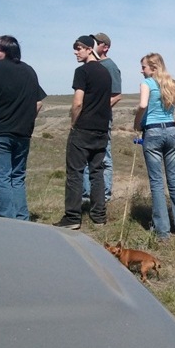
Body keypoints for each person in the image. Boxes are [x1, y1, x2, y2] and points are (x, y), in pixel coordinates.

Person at [0, 35, 47, 220]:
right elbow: (38, 103)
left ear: (9, 51)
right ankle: (22, 219)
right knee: (16, 178)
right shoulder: (29, 71)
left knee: (1, 179)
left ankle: (7, 222)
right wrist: (25, 120)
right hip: (22, 135)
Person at [133, 52, 175, 239]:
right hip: (171, 131)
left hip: (152, 132)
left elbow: (143, 104)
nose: (141, 70)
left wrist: (136, 123)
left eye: (144, 67)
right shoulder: (172, 84)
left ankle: (162, 231)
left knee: (156, 182)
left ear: (153, 68)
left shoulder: (146, 83)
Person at [54, 35, 112, 230]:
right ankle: (99, 216)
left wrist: (73, 123)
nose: (75, 52)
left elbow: (77, 102)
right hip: (101, 130)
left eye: (79, 48)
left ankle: (72, 217)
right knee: (97, 172)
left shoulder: (82, 71)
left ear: (89, 49)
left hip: (83, 128)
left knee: (75, 173)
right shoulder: (105, 72)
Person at [82, 32, 122, 203]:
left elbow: (117, 94)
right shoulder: (91, 65)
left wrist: (100, 109)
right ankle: (87, 195)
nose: (93, 44)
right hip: (87, 118)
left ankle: (104, 196)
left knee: (104, 156)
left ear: (105, 47)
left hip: (101, 118)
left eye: (96, 42)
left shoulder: (110, 66)